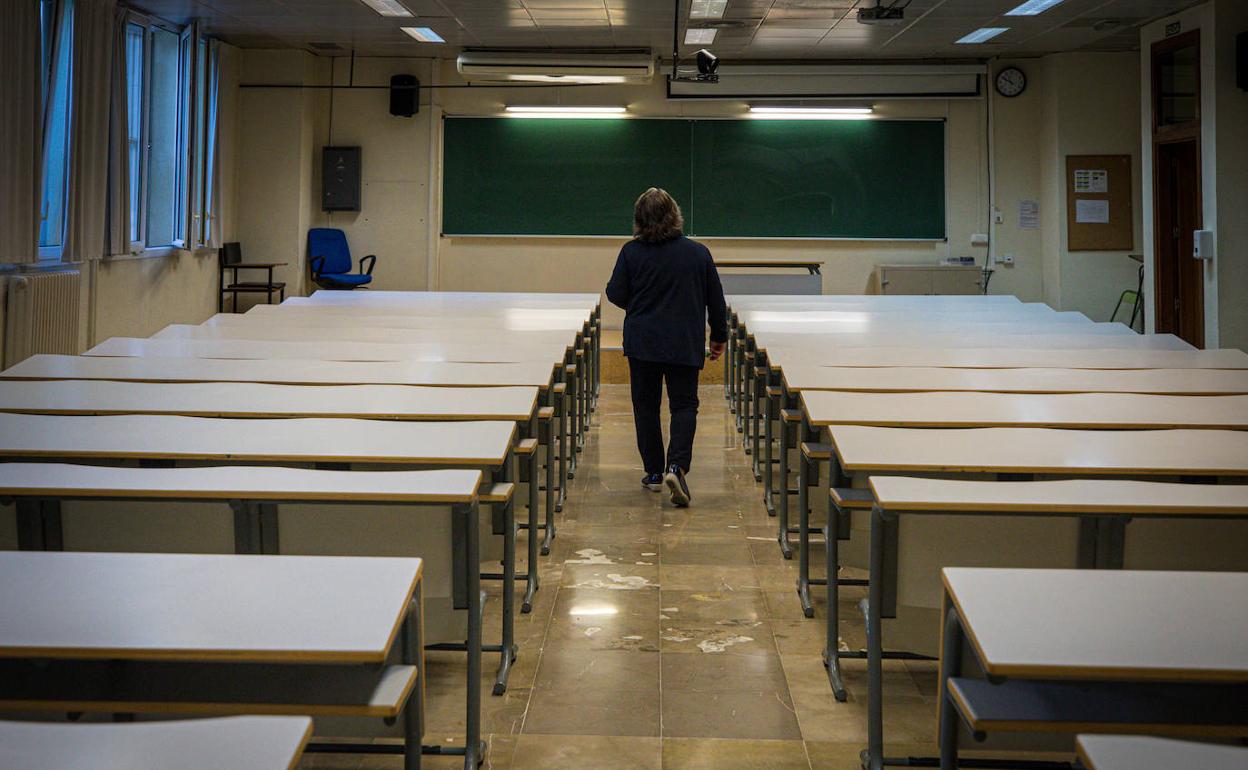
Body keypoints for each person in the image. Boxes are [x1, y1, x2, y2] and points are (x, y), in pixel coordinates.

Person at [605, 187, 728, 507]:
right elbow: (716, 300)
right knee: (684, 405)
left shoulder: (631, 253)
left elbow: (615, 293)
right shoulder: (698, 253)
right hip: (683, 340)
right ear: (675, 214)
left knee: (646, 406)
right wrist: (719, 336)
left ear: (639, 219)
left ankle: (654, 473)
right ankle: (677, 466)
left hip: (643, 341)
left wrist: (641, 303)